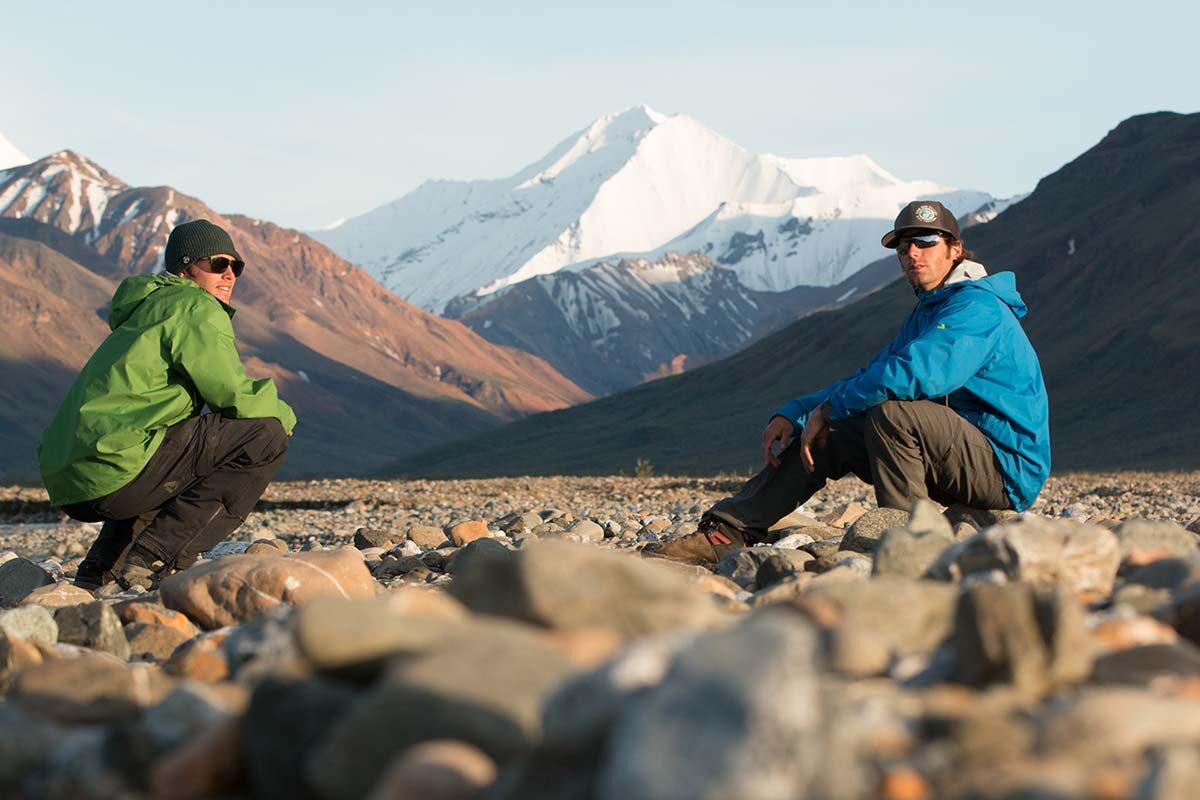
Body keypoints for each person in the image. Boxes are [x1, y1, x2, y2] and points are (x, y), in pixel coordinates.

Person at [649, 200, 1050, 564]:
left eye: (926, 241)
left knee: (892, 413)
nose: (912, 252)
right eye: (903, 245)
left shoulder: (976, 307)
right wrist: (801, 412)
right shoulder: (930, 311)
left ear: (955, 249)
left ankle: (910, 551)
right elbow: (871, 376)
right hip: (956, 453)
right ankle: (728, 532)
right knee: (834, 428)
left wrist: (829, 409)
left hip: (1003, 467)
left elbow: (916, 375)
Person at [38, 219, 296, 591]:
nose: (229, 275)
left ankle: (101, 569)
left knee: (170, 443)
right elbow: (231, 393)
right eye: (217, 264)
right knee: (265, 433)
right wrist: (285, 415)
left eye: (235, 266)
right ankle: (154, 558)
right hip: (113, 472)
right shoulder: (194, 306)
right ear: (185, 267)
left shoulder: (150, 307)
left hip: (73, 477)